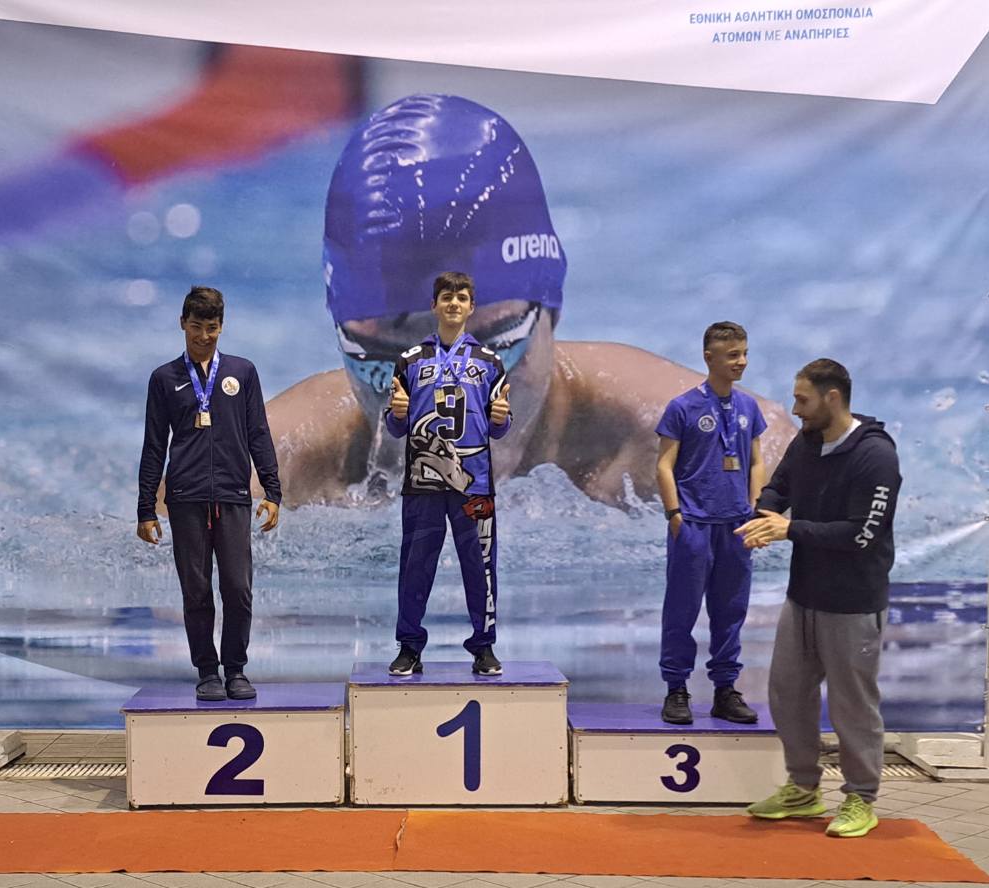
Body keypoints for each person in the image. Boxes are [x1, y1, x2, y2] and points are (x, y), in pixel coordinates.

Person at [268, 93, 794, 507]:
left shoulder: (719, 454)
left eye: (490, 345)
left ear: (550, 308)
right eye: (388, 355)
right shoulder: (272, 472)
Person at [737, 359, 901, 838]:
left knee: (853, 704)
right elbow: (779, 487)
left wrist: (789, 529)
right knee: (787, 693)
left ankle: (860, 798)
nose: (795, 409)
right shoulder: (806, 442)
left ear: (833, 398)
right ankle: (804, 789)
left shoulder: (875, 457)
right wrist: (764, 514)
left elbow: (861, 535)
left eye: (803, 400)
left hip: (853, 603)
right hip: (803, 596)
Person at [138, 287, 282, 701]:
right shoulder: (164, 378)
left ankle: (236, 668)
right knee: (196, 591)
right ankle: (207, 670)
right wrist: (146, 507)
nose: (204, 336)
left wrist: (272, 490)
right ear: (182, 323)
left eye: (212, 328)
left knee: (238, 589)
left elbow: (258, 433)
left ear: (223, 327)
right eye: (197, 327)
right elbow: (153, 445)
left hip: (235, 496)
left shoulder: (242, 372)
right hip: (185, 498)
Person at [386, 272, 511, 677]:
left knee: (480, 564)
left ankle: (484, 646)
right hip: (423, 480)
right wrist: (397, 414)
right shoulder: (409, 361)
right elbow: (394, 425)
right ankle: (409, 647)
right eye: (446, 297)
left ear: (472, 306)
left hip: (474, 479)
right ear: (434, 305)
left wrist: (501, 420)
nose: (453, 304)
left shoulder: (490, 363)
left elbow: (499, 427)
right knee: (416, 564)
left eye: (461, 298)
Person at [656, 321, 766, 725]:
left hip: (736, 525)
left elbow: (757, 461)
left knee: (731, 610)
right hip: (694, 524)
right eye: (733, 355)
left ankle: (725, 689)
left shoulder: (749, 408)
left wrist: (755, 507)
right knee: (682, 610)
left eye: (744, 353)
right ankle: (676, 689)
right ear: (709, 357)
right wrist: (674, 514)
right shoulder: (683, 407)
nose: (741, 362)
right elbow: (664, 465)